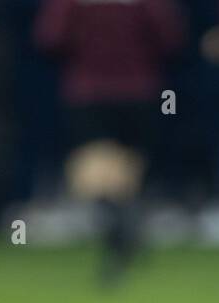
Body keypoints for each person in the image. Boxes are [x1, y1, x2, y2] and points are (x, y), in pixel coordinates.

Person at [35, 0, 184, 282]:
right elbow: (170, 39)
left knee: (94, 175)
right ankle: (128, 229)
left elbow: (50, 39)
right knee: (128, 172)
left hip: (88, 92)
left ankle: (119, 235)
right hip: (141, 91)